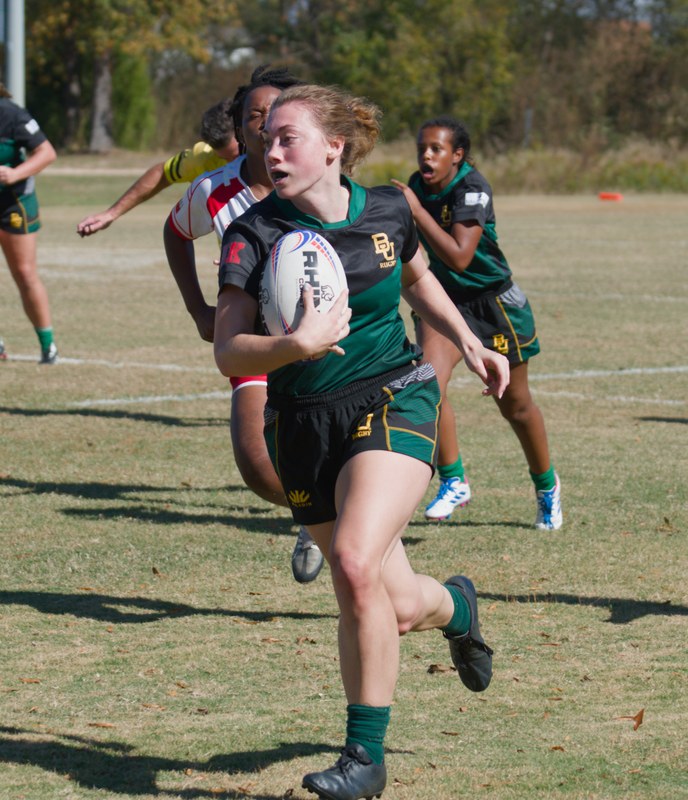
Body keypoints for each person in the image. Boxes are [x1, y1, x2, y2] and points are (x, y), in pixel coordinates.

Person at [213, 84, 510, 800]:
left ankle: (363, 760)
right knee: (396, 604)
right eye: (266, 138)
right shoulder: (252, 233)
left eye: (288, 137)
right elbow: (228, 351)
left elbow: (418, 279)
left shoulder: (386, 208)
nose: (270, 150)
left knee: (350, 561)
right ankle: (458, 608)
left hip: (394, 393)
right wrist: (295, 345)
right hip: (301, 422)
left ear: (333, 148)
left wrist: (469, 341)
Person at [163, 65, 324, 584]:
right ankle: (317, 510)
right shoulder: (214, 190)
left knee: (334, 443)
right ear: (239, 127)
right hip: (251, 339)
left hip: (317, 339)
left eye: (275, 113)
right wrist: (198, 309)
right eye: (255, 114)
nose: (265, 122)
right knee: (257, 466)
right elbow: (175, 232)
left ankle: (333, 514)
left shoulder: (318, 181)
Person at [392, 116, 562, 529]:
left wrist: (415, 210)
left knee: (516, 406)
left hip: (493, 306)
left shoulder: (472, 188)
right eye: (422, 148)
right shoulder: (416, 187)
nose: (426, 156)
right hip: (446, 304)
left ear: (458, 155)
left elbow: (459, 256)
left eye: (436, 149)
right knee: (428, 385)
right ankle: (454, 480)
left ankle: (547, 487)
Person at [76, 98, 240, 237]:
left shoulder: (258, 152)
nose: (232, 164)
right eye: (224, 158)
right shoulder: (204, 158)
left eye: (235, 155)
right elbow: (162, 173)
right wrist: (111, 214)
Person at [0, 82, 59, 364]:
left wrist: (15, 174)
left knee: (24, 273)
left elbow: (46, 152)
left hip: (14, 201)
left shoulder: (10, 114)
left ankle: (48, 346)